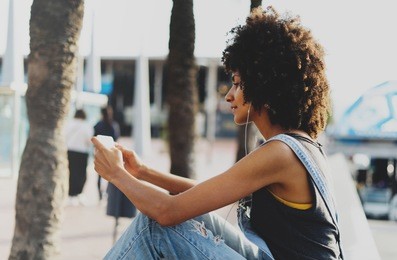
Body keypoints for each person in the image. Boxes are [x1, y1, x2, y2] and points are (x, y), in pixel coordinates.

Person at [91, 6, 344, 259]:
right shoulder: (300, 147)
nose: (229, 95)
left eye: (236, 83)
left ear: (264, 84)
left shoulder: (281, 153)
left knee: (155, 227)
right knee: (193, 214)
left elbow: (167, 212)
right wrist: (143, 172)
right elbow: (208, 193)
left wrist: (116, 174)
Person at [65, 108, 93, 205]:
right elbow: (89, 141)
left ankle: (70, 194)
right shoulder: (86, 126)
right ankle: (78, 193)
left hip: (70, 151)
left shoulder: (69, 123)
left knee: (71, 172)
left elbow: (64, 136)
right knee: (81, 174)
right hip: (82, 152)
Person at [94, 106, 120, 201]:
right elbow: (116, 138)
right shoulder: (114, 125)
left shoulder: (98, 124)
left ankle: (100, 195)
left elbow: (94, 138)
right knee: (112, 175)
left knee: (99, 175)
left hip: (99, 152)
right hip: (111, 152)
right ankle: (109, 194)